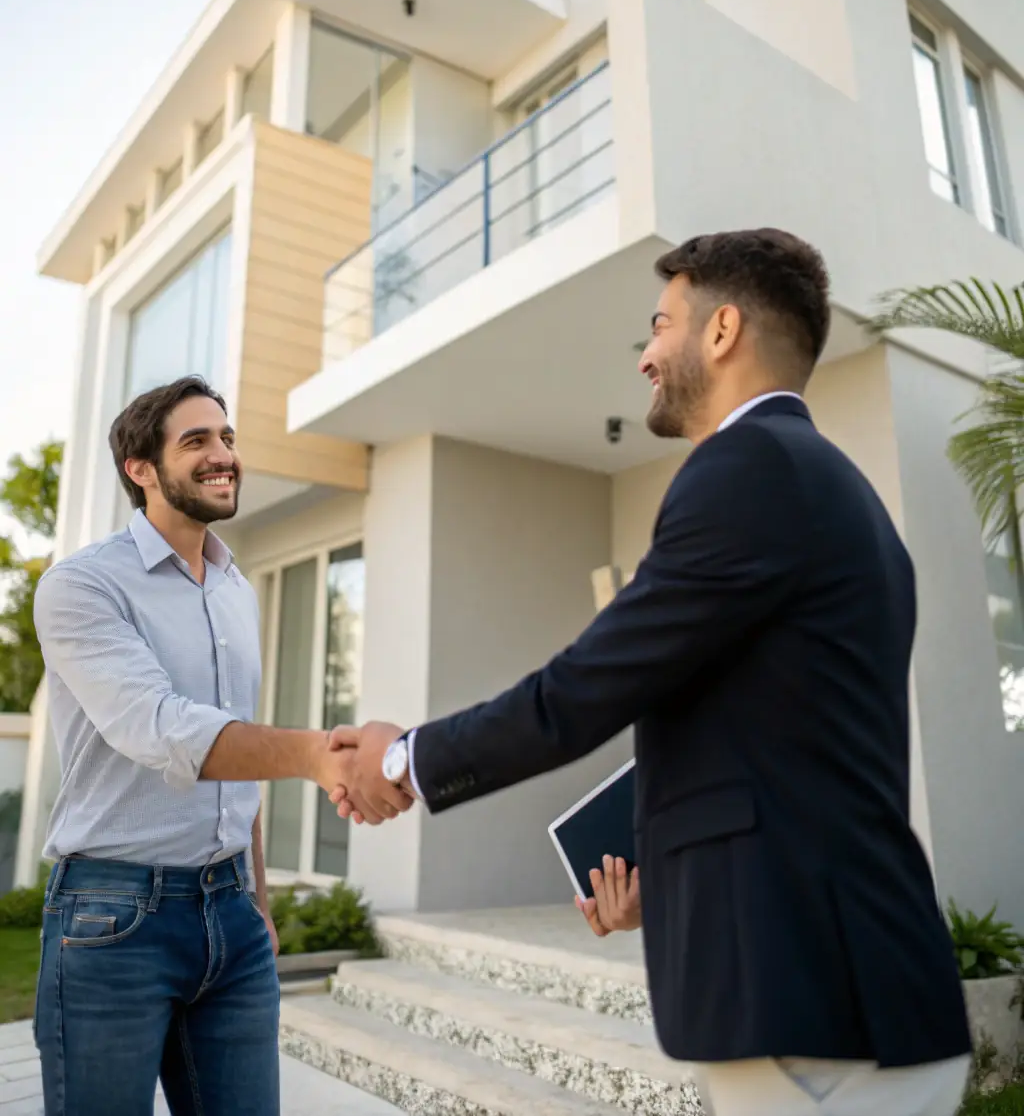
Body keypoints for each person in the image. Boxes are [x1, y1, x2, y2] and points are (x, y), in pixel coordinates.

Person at [327, 229, 973, 1116]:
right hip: (859, 997)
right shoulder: (838, 490)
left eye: (660, 324)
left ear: (722, 332)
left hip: (817, 1023)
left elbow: (582, 689)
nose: (645, 356)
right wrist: (670, 884)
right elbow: (788, 752)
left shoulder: (745, 470)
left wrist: (402, 758)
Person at [32, 375, 362, 1116]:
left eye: (228, 437)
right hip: (112, 919)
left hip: (231, 916)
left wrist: (258, 902)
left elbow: (231, 760)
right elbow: (160, 726)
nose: (224, 455)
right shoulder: (81, 586)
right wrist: (314, 753)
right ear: (141, 468)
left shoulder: (235, 587)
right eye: (197, 441)